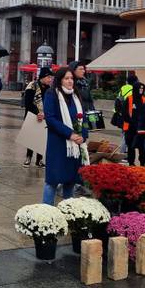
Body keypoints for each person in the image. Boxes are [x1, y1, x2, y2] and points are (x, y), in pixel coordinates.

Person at [42, 67, 86, 204]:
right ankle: (46, 213)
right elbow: (51, 119)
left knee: (70, 181)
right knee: (52, 181)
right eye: (66, 78)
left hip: (75, 147)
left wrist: (83, 135)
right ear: (60, 80)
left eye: (72, 78)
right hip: (58, 144)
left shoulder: (76, 96)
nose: (70, 81)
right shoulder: (51, 94)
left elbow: (83, 119)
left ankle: (67, 211)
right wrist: (70, 134)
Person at [23, 67, 53, 167]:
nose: (50, 79)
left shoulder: (49, 89)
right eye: (48, 77)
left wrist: (45, 113)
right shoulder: (32, 86)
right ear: (43, 77)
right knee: (31, 138)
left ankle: (39, 160)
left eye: (51, 77)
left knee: (41, 139)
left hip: (44, 116)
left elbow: (50, 104)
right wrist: (38, 113)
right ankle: (28, 157)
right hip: (32, 115)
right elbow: (28, 103)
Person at [122, 77, 145, 167]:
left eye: (142, 89)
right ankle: (131, 163)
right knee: (131, 147)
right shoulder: (129, 99)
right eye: (139, 89)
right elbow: (124, 113)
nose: (141, 90)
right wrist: (132, 122)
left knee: (142, 148)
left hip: (142, 128)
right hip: (130, 127)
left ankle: (142, 163)